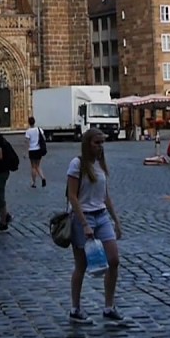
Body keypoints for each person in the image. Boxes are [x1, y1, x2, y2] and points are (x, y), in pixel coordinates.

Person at [67, 128, 124, 325]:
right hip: (83, 217)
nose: (100, 147)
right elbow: (72, 196)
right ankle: (75, 309)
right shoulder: (77, 164)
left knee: (114, 260)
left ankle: (109, 307)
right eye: (96, 143)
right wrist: (84, 224)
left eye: (102, 143)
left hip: (101, 216)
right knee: (81, 265)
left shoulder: (100, 164)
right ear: (87, 144)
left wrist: (116, 220)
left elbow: (105, 195)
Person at [25, 116, 48, 187]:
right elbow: (44, 138)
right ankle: (43, 178)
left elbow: (27, 142)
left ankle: (34, 183)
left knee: (33, 167)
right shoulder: (39, 129)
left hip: (32, 150)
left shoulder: (28, 131)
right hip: (38, 150)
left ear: (29, 123)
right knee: (38, 166)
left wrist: (26, 152)